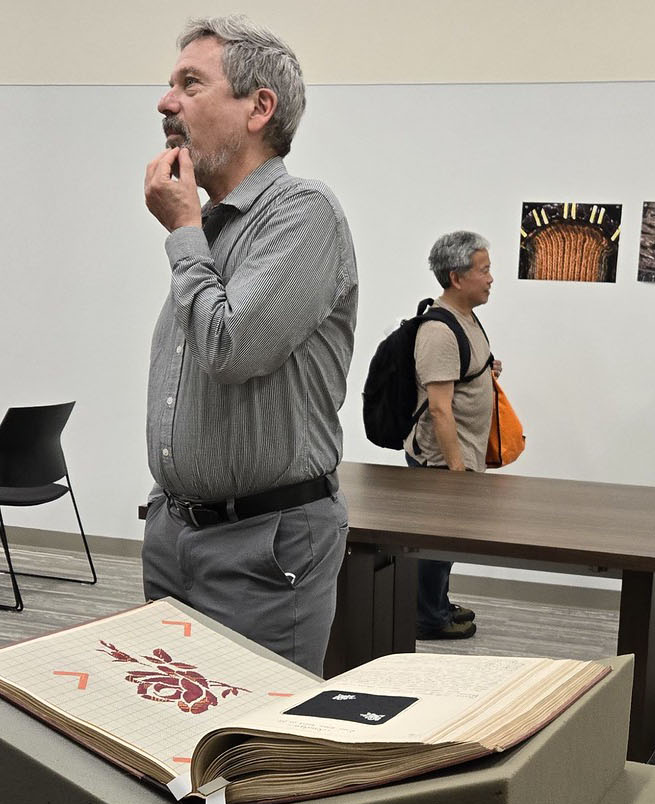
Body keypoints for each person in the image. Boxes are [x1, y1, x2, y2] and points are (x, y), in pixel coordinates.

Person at [142, 16, 357, 675]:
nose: (165, 102)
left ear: (259, 107)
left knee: (254, 751)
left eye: (190, 84)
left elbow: (231, 349)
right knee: (169, 738)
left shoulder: (303, 212)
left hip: (263, 545)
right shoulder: (210, 231)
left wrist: (180, 231)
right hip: (176, 533)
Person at [402, 231, 500, 639]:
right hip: (443, 460)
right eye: (484, 269)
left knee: (444, 545)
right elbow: (440, 408)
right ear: (457, 278)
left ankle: (436, 604)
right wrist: (456, 470)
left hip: (460, 455)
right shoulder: (439, 331)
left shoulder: (467, 319)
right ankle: (427, 618)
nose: (491, 278)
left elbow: (462, 376)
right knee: (434, 546)